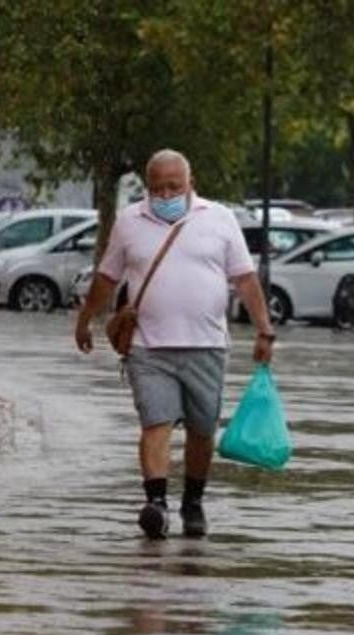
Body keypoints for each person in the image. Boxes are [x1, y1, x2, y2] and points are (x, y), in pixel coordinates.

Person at [75, 149, 276, 540]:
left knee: (202, 429)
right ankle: (156, 504)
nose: (165, 195)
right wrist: (85, 320)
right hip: (148, 347)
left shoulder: (219, 218)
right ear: (147, 187)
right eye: (157, 188)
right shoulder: (129, 221)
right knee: (156, 423)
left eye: (174, 186)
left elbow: (245, 279)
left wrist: (264, 330)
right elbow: (107, 276)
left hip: (207, 346)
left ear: (190, 184)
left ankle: (193, 502)